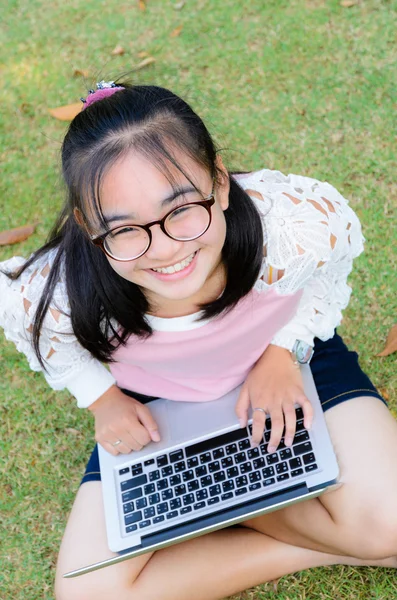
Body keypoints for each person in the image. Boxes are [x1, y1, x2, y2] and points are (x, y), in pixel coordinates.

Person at [1, 80, 397, 600]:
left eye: (183, 208)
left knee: (391, 520)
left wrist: (284, 351)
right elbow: (40, 334)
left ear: (220, 184)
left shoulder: (288, 225)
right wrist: (103, 401)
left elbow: (328, 265)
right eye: (123, 229)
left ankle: (225, 517)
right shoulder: (60, 288)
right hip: (159, 409)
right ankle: (333, 542)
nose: (165, 250)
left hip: (292, 369)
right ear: (86, 224)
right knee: (87, 595)